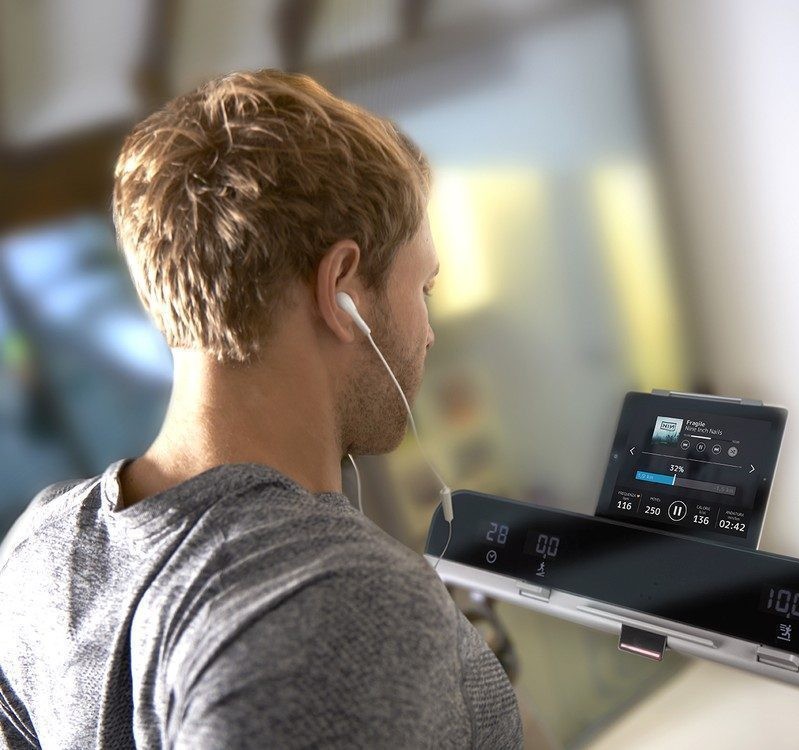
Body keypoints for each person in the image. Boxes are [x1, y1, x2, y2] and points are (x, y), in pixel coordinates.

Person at [0, 69, 524, 749]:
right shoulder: (339, 606)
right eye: (423, 287)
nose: (428, 332)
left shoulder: (38, 551)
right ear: (342, 290)